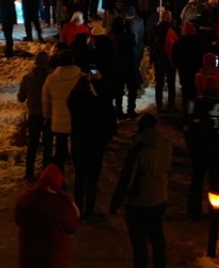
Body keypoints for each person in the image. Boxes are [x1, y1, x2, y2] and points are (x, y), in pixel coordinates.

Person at [110, 113, 173, 268]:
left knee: (139, 244)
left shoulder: (138, 150)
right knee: (157, 237)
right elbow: (168, 170)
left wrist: (116, 202)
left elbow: (126, 180)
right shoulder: (166, 145)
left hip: (140, 203)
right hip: (159, 198)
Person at [68, 71, 117, 218]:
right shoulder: (96, 103)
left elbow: (72, 94)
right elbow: (109, 96)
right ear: (90, 87)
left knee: (80, 177)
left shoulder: (73, 102)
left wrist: (81, 81)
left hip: (78, 144)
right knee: (92, 179)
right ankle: (89, 209)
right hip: (95, 144)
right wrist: (98, 80)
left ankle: (78, 208)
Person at [14, 164, 80, 268]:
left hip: (28, 257)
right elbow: (72, 226)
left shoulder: (24, 198)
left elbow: (18, 220)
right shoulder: (61, 202)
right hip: (53, 259)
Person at [185, 70, 219, 219]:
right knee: (215, 179)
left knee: (196, 178)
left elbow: (187, 120)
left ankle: (193, 210)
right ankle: (216, 210)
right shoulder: (218, 105)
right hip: (214, 147)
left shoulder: (194, 103)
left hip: (196, 147)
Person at [42, 50, 83, 173]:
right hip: (78, 120)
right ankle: (80, 177)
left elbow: (45, 101)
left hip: (58, 121)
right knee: (79, 149)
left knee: (59, 150)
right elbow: (91, 97)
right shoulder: (82, 77)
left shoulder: (51, 79)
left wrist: (47, 117)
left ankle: (59, 179)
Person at [18, 51, 53, 183]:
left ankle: (29, 172)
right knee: (48, 145)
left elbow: (21, 98)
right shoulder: (52, 76)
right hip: (48, 115)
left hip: (34, 115)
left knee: (32, 145)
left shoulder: (27, 78)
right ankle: (46, 173)